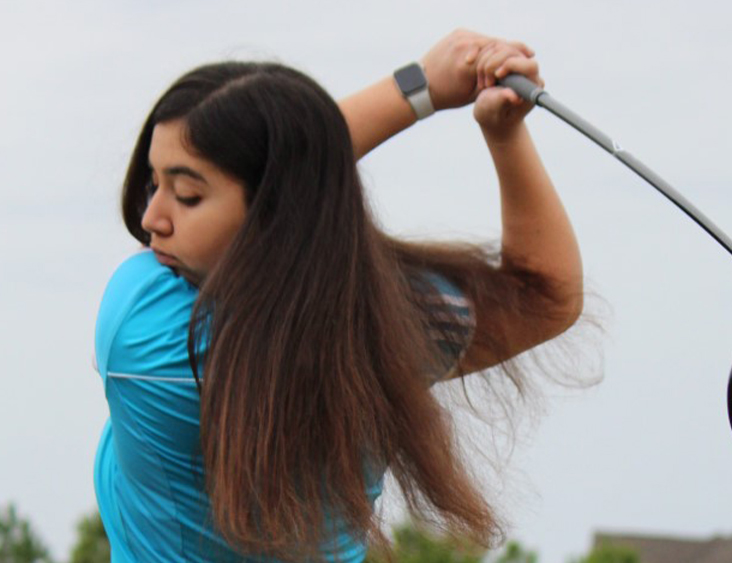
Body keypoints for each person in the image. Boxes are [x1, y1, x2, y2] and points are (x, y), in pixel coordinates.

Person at [93, 29, 583, 562]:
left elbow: (294, 177)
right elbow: (545, 296)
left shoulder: (139, 329)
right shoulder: (383, 330)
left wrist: (419, 88)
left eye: (187, 194)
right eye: (154, 184)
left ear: (271, 210)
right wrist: (504, 133)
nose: (151, 218)